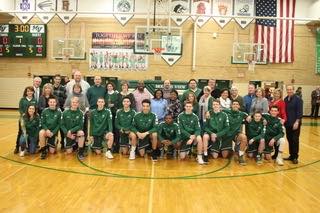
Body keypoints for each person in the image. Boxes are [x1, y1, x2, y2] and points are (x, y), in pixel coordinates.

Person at [222, 100, 249, 165]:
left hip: (236, 134)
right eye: (234, 104)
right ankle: (233, 149)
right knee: (224, 156)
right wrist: (209, 112)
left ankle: (241, 155)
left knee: (244, 137)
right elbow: (217, 109)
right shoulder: (225, 111)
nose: (235, 105)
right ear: (231, 105)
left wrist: (250, 117)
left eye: (237, 104)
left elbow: (251, 116)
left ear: (239, 106)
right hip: (227, 134)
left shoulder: (242, 114)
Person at [15, 86, 37, 154]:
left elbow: (36, 109)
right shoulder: (22, 99)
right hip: (23, 119)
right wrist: (23, 115)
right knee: (21, 133)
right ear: (26, 92)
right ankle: (17, 147)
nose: (29, 92)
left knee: (31, 132)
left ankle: (29, 146)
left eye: (31, 91)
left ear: (33, 92)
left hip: (31, 119)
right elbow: (20, 109)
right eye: (28, 91)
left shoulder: (34, 100)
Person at [284, 85, 303, 164]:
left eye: (290, 89)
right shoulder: (285, 99)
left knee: (295, 140)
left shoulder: (298, 99)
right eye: (288, 89)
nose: (289, 91)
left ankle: (295, 157)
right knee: (289, 139)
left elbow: (300, 111)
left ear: (293, 90)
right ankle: (291, 155)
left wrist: (297, 122)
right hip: (288, 123)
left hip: (295, 123)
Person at [269, 88, 287, 159]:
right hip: (271, 121)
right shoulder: (272, 101)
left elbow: (283, 112)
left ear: (280, 95)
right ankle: (273, 152)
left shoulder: (281, 102)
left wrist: (283, 120)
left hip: (278, 122)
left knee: (278, 138)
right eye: (275, 93)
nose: (276, 95)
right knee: (272, 136)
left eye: (278, 94)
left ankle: (277, 154)